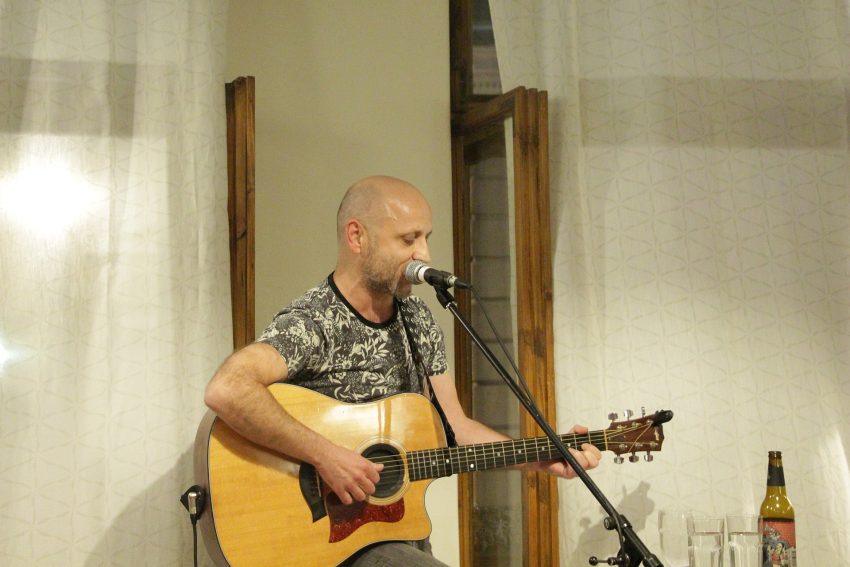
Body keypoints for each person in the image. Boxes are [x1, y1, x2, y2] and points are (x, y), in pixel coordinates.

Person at [204, 175, 602, 566]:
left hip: (393, 533)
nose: (424, 254)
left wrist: (541, 457)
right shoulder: (314, 322)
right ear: (357, 236)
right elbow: (228, 389)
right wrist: (326, 456)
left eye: (426, 237)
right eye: (408, 240)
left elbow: (453, 426)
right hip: (324, 540)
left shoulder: (417, 318)